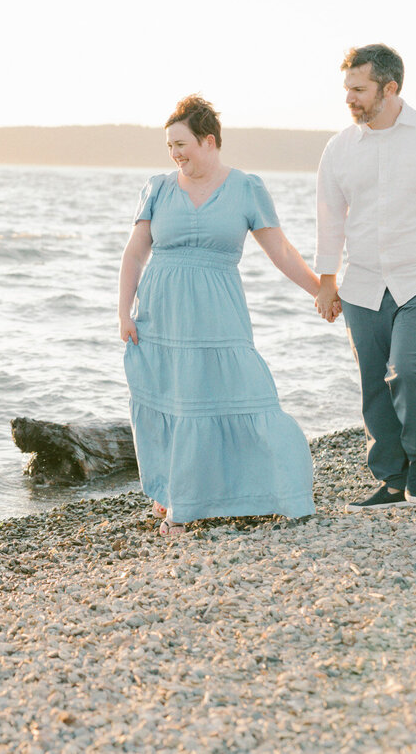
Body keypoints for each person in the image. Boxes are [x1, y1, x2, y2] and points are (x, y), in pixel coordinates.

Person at [118, 95, 318, 535]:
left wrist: (320, 289)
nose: (174, 154)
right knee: (172, 401)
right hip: (160, 314)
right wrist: (124, 312)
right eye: (169, 145)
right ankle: (177, 499)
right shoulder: (157, 187)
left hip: (218, 313)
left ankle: (279, 488)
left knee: (243, 393)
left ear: (209, 140)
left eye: (181, 143)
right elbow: (135, 254)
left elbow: (280, 251)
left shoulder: (247, 188)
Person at [315, 44, 416, 512]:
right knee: (374, 382)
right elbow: (330, 217)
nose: (349, 98)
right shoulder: (339, 148)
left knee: (409, 369)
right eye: (346, 88)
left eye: (359, 89)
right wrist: (327, 280)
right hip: (363, 282)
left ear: (390, 89)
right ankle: (392, 480)